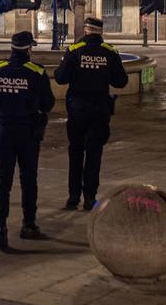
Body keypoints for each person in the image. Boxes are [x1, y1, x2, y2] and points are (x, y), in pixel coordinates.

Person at [0, 31, 55, 249]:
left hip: (3, 132)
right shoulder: (36, 72)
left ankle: (0, 229)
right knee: (28, 180)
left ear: (11, 48)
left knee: (3, 182)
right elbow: (48, 104)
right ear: (29, 49)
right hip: (28, 134)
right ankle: (28, 224)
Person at [54, 16, 128, 210]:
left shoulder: (74, 51)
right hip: (99, 111)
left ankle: (72, 197)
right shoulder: (109, 52)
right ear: (100, 31)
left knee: (76, 151)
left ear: (86, 30)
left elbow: (60, 78)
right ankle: (89, 198)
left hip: (77, 110)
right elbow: (121, 81)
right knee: (94, 153)